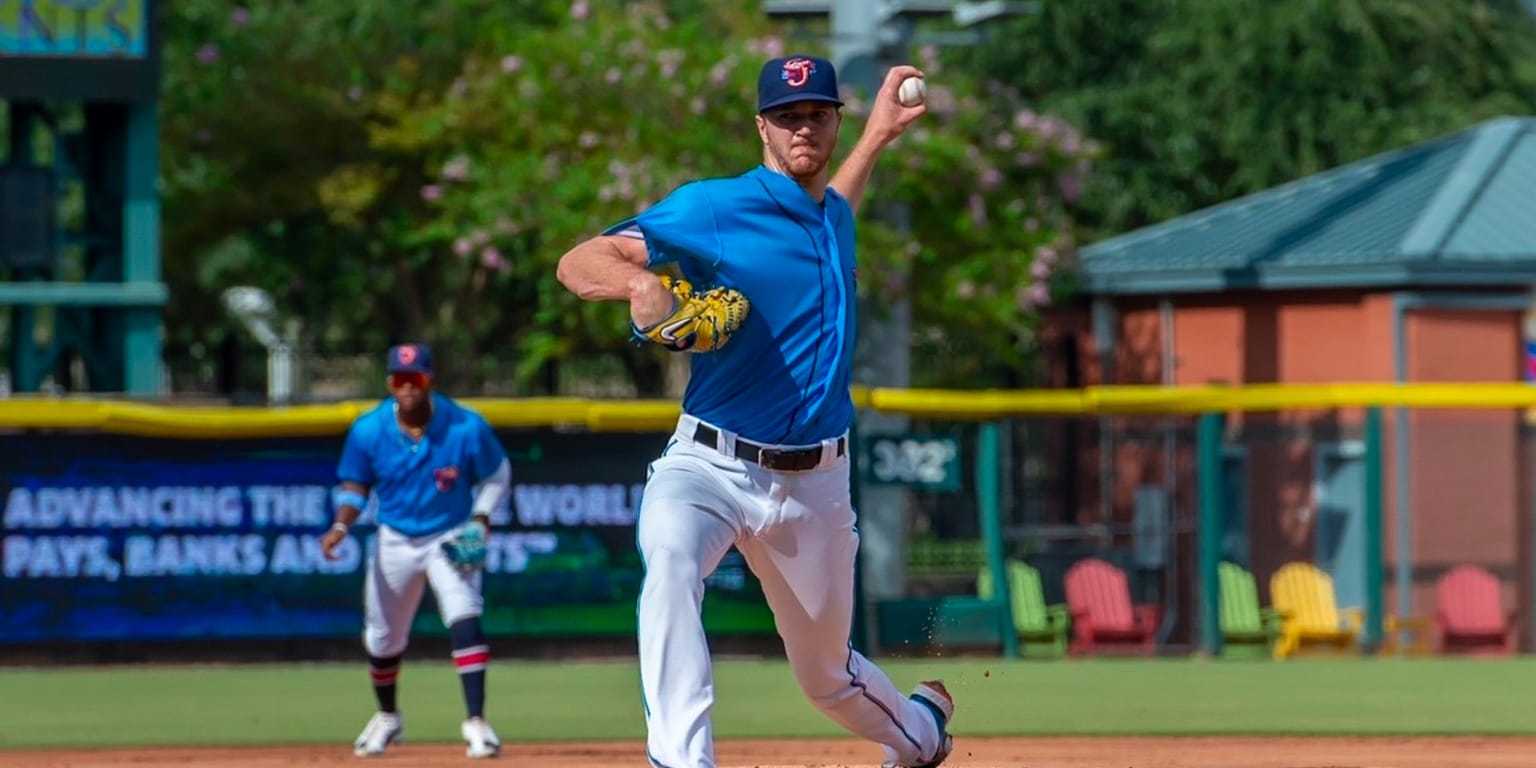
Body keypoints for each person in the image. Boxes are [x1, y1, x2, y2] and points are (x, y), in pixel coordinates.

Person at [555, 55, 950, 768]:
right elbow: (580, 260)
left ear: (834, 122)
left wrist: (880, 134)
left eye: (817, 114)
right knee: (671, 559)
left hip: (815, 488)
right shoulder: (715, 208)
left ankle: (921, 735)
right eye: (788, 115)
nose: (803, 126)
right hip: (708, 462)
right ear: (761, 126)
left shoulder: (833, 221)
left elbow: (833, 207)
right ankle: (683, 760)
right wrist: (639, 285)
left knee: (826, 677)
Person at [319, 343, 512, 759]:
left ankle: (476, 722)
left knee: (465, 616)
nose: (408, 387)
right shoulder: (369, 429)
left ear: (430, 381)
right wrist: (340, 525)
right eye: (400, 379)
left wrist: (481, 518)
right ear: (390, 383)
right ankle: (388, 717)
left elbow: (497, 475)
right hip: (395, 537)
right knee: (382, 637)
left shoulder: (464, 425)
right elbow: (356, 486)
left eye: (416, 378)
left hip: (450, 533)